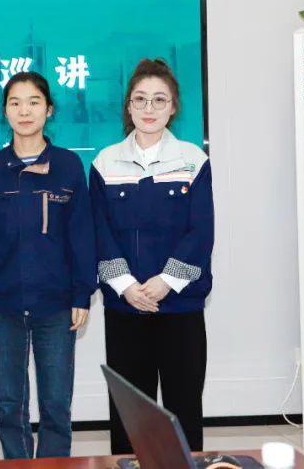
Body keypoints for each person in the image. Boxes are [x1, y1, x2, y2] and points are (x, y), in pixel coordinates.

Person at [0, 71, 97, 459]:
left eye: (34, 102)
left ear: (49, 109)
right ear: (5, 111)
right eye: (15, 103)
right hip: (2, 304)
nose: (25, 111)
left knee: (56, 405)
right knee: (10, 406)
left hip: (56, 304)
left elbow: (82, 235)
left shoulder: (68, 165)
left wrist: (82, 294)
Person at [90, 57, 214, 454]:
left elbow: (201, 232)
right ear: (128, 106)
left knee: (184, 406)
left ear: (173, 107)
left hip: (180, 307)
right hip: (125, 308)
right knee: (129, 414)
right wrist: (127, 286)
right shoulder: (105, 162)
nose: (149, 108)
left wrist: (166, 282)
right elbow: (100, 232)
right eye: (140, 99)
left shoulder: (194, 160)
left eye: (159, 100)